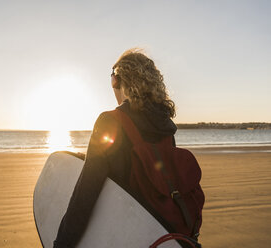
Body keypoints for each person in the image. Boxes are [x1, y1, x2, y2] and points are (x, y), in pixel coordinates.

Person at [53, 48, 203, 248]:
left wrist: (61, 244)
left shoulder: (110, 121)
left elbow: (84, 197)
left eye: (112, 78)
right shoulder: (165, 126)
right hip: (161, 234)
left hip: (124, 237)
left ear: (117, 81)